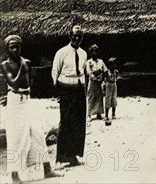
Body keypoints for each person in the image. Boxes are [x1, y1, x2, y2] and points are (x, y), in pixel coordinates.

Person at [1, 35, 62, 183]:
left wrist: (26, 89)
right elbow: (14, 83)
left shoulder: (27, 62)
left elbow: (29, 82)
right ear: (7, 50)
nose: (15, 49)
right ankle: (14, 175)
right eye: (12, 47)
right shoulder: (5, 65)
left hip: (26, 100)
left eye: (17, 47)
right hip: (15, 102)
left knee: (37, 133)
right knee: (16, 137)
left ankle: (47, 169)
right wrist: (21, 68)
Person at [51, 25, 88, 166]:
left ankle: (75, 154)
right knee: (66, 121)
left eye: (80, 36)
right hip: (65, 88)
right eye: (75, 36)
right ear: (69, 36)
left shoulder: (84, 53)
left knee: (79, 122)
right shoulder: (61, 52)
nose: (77, 39)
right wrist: (56, 88)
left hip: (79, 88)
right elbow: (55, 70)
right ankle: (63, 156)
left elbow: (84, 72)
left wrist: (85, 88)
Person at [84, 44, 107, 121]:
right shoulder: (89, 62)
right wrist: (95, 77)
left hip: (99, 82)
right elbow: (88, 72)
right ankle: (89, 115)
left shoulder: (101, 61)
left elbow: (105, 70)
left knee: (99, 97)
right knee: (91, 97)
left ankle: (99, 113)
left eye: (96, 51)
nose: (95, 53)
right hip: (92, 82)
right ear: (91, 52)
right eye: (93, 51)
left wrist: (102, 78)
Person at [104, 58, 118, 122]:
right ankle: (106, 115)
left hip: (114, 85)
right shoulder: (107, 71)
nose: (112, 66)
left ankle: (113, 114)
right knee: (108, 99)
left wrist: (114, 81)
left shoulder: (116, 71)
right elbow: (105, 78)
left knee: (114, 99)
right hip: (108, 85)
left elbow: (116, 78)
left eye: (113, 64)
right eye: (111, 64)